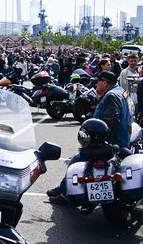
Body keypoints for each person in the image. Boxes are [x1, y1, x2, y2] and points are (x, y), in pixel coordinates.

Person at [47, 70, 132, 202]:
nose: (96, 84)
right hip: (122, 139)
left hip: (112, 141)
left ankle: (65, 193)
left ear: (105, 83)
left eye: (98, 81)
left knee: (77, 160)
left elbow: (110, 120)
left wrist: (99, 142)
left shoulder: (111, 96)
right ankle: (63, 187)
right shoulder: (121, 91)